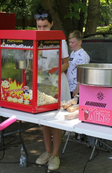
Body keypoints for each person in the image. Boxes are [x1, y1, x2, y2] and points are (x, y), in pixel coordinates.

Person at [34, 9, 71, 171]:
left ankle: (55, 154)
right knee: (44, 120)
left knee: (57, 120)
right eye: (39, 27)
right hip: (42, 83)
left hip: (57, 82)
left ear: (52, 25)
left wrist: (53, 72)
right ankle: (47, 151)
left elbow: (66, 63)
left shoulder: (60, 40)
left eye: (45, 27)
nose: (42, 30)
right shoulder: (35, 39)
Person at [66, 30, 90, 98]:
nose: (70, 44)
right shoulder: (72, 53)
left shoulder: (83, 56)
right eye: (69, 42)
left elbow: (83, 74)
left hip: (76, 89)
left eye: (73, 42)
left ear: (80, 42)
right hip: (69, 87)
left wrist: (77, 89)